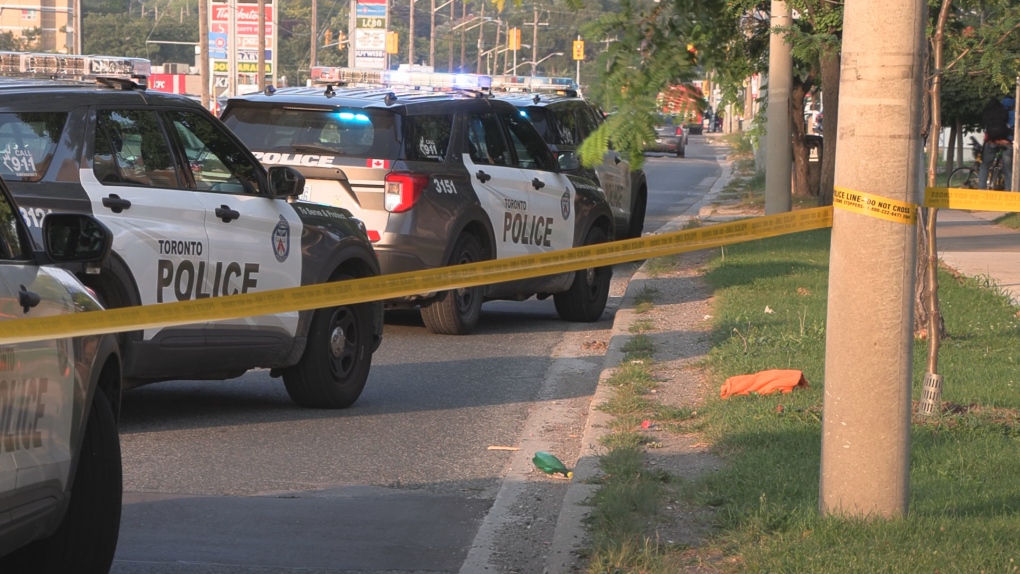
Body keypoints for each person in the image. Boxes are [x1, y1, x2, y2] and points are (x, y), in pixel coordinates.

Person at [978, 96, 1013, 191]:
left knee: (985, 166)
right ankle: (1008, 193)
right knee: (1008, 171)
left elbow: (985, 129)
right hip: (1006, 143)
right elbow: (1011, 128)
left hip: (991, 142)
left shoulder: (990, 113)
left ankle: (981, 190)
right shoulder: (1011, 114)